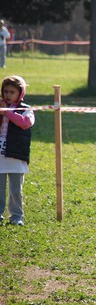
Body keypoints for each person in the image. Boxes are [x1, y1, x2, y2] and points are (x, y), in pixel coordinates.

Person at [0, 75, 35, 226]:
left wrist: (7, 113)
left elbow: (26, 123)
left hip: (16, 155)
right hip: (0, 155)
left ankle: (16, 216)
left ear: (20, 93)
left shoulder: (26, 109)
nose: (8, 95)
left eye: (12, 92)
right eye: (5, 91)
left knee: (15, 189)